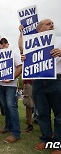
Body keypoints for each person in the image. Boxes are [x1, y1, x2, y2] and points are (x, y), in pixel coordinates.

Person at [21, 19, 61, 153]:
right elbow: (23, 50)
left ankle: (57, 143)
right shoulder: (31, 44)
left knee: (59, 114)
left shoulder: (59, 39)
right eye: (48, 23)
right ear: (39, 29)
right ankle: (46, 139)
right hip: (38, 81)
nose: (52, 25)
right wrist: (24, 58)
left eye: (52, 23)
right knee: (42, 113)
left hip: (57, 80)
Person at [0, 38, 22, 143]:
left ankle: (16, 133)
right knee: (5, 106)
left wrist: (11, 78)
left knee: (11, 107)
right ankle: (7, 127)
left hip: (11, 85)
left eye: (4, 43)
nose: (2, 45)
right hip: (1, 85)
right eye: (0, 44)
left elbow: (20, 67)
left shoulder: (14, 53)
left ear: (7, 44)